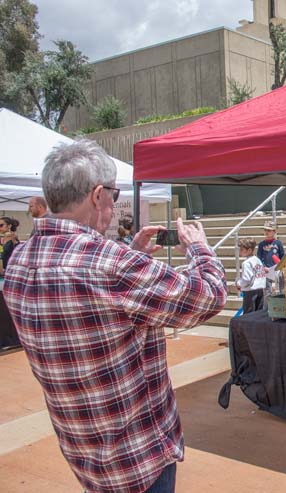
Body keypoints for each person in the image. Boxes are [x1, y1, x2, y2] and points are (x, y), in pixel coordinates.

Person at [2, 139, 228, 493]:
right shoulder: (112, 265)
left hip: (82, 449)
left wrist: (131, 253)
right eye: (113, 194)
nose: (113, 202)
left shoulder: (19, 261)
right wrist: (199, 249)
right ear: (97, 196)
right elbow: (208, 297)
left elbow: (88, 294)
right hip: (138, 457)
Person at [236, 238, 266, 313]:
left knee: (248, 314)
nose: (240, 251)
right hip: (260, 289)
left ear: (249, 250)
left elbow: (246, 279)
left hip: (250, 292)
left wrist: (239, 283)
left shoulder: (246, 263)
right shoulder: (257, 260)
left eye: (242, 249)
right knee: (258, 314)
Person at [257, 221, 284, 295]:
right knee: (267, 292)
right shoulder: (261, 244)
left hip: (277, 269)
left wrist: (281, 266)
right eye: (265, 230)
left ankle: (281, 305)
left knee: (281, 290)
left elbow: (282, 256)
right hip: (266, 270)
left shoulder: (278, 243)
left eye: (269, 230)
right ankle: (267, 306)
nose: (266, 232)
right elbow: (259, 258)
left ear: (274, 231)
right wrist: (263, 267)